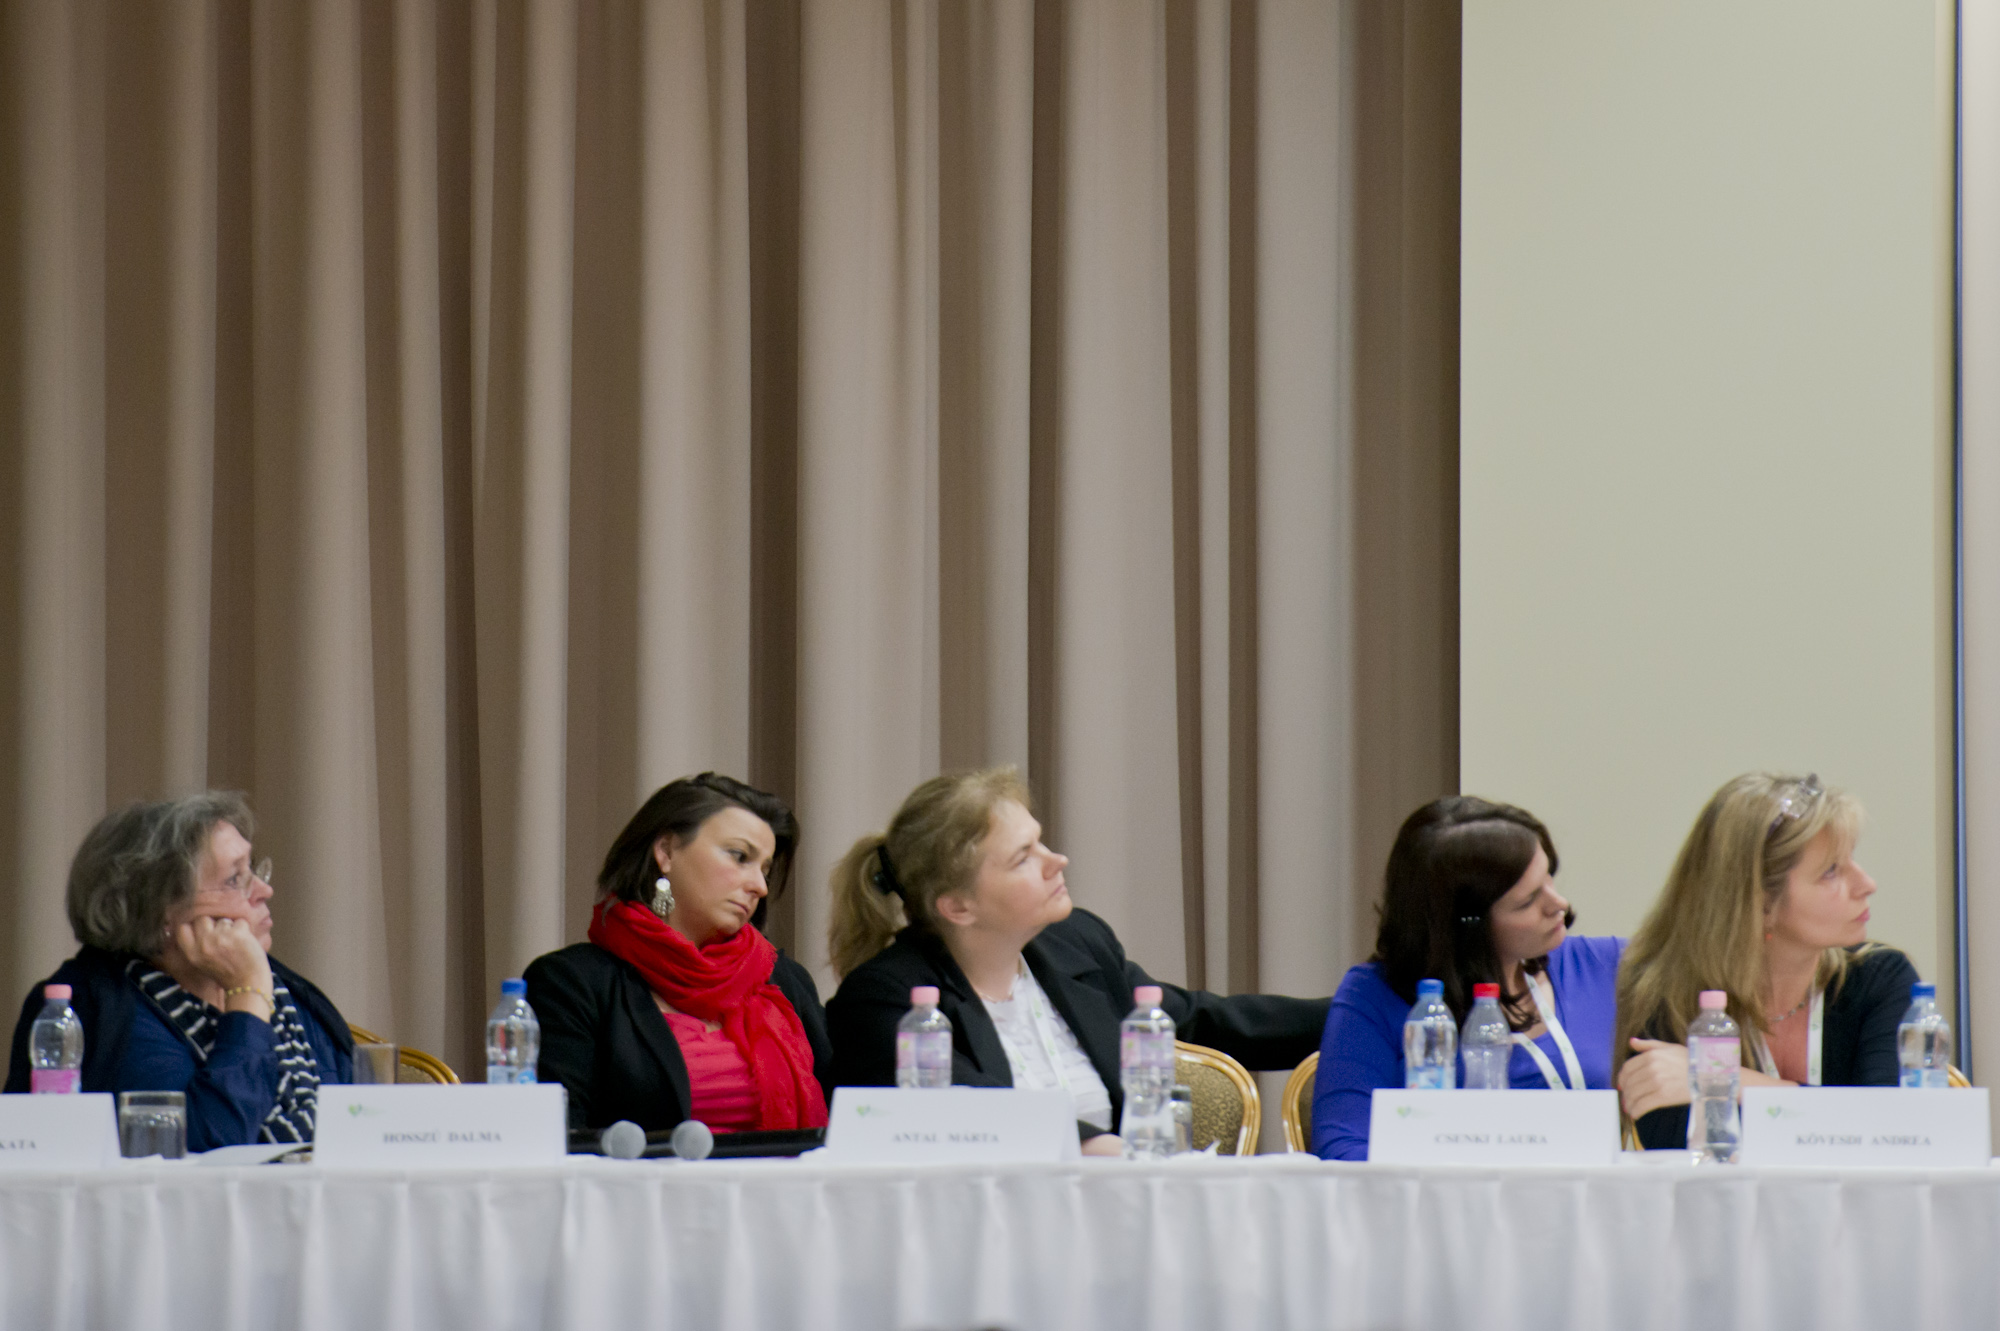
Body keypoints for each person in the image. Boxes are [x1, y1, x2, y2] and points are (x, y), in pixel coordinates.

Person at [824, 766, 1327, 1154]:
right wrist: (1092, 1144)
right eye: (1024, 857)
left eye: (1040, 841)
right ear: (958, 907)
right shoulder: (885, 999)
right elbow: (972, 1113)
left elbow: (1201, 1020)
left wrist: (1353, 1009)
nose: (1056, 860)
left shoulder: (1074, 945)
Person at [3, 793, 353, 1151]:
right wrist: (248, 995)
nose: (265, 890)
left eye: (253, 869)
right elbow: (205, 1148)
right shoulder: (102, 1011)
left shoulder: (289, 998)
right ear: (160, 911)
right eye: (235, 878)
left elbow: (355, 1126)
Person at [1310, 796, 1625, 1160]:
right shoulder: (1375, 996)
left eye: (1549, 878)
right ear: (1466, 928)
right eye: (1527, 901)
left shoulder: (1607, 965)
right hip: (1448, 1196)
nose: (1560, 904)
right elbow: (1342, 1150)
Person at [1615, 772, 1917, 1148]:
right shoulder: (1671, 998)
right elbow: (1678, 1145)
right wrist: (1834, 1115)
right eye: (1831, 872)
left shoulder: (1880, 977)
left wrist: (1729, 1082)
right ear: (1759, 904)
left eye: (1851, 860)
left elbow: (1892, 1128)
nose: (1867, 884)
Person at [525, 773, 831, 1134]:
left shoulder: (784, 980)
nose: (760, 887)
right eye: (739, 857)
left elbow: (846, 1121)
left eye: (765, 869)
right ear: (666, 852)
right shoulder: (569, 984)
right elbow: (558, 1139)